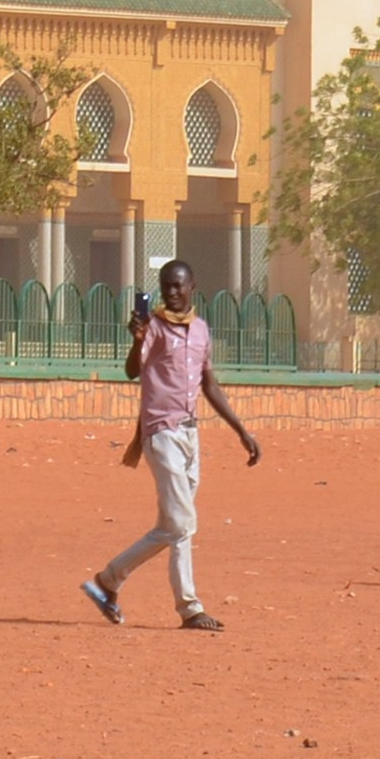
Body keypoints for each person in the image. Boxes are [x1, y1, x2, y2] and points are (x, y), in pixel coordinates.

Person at [79, 258, 262, 631]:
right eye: (166, 286)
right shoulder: (154, 327)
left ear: (193, 287)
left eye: (179, 285)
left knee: (172, 525)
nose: (172, 292)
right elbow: (132, 370)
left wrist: (241, 431)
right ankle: (189, 608)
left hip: (190, 434)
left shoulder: (201, 330)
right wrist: (137, 340)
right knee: (183, 523)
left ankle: (108, 581)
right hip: (161, 432)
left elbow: (209, 384)